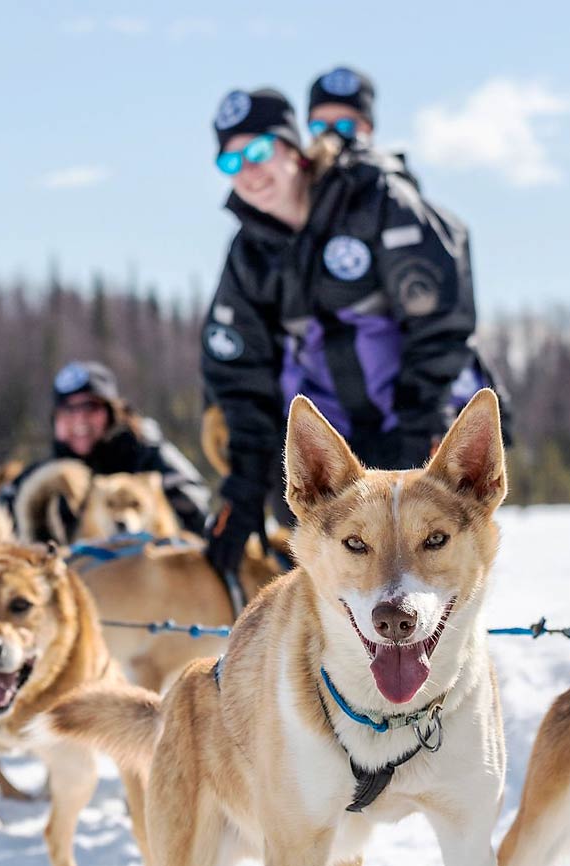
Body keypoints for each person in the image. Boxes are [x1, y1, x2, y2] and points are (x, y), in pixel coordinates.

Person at [200, 87, 506, 576]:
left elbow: (441, 322)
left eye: (258, 151)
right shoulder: (249, 254)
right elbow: (239, 375)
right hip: (335, 444)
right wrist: (243, 491)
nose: (248, 171)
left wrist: (415, 430)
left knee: (425, 574)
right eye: (231, 161)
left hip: (419, 423)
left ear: (294, 150)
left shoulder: (373, 199)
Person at [0, 361, 210, 538]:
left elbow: (197, 508)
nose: (79, 419)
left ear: (112, 412)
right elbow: (0, 518)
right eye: (68, 410)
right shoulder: (47, 477)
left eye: (90, 408)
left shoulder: (147, 455)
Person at [306, 65, 375, 151]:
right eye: (319, 126)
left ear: (367, 128)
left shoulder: (387, 163)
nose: (330, 135)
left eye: (344, 126)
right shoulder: (297, 163)